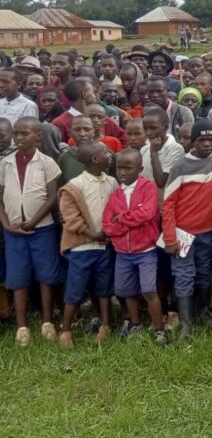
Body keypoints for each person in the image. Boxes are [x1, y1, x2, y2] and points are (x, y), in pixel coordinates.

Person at [162, 119, 212, 337]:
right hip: (182, 233)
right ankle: (186, 321)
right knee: (184, 274)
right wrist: (169, 238)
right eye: (201, 140)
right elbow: (168, 204)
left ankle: (203, 311)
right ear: (192, 142)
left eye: (211, 139)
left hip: (207, 231)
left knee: (204, 272)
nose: (207, 144)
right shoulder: (181, 167)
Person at [0, 117, 62, 346]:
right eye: (16, 133)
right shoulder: (5, 163)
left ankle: (47, 322)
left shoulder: (47, 163)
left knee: (46, 275)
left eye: (24, 133)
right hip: (13, 230)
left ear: (38, 135)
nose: (18, 137)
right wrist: (6, 224)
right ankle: (22, 327)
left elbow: (53, 195)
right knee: (18, 277)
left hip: (42, 228)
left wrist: (34, 221)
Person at [57, 142, 118, 348]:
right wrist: (93, 234)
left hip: (104, 247)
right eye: (106, 153)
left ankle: (105, 325)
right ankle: (65, 330)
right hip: (82, 248)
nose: (110, 156)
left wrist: (107, 233)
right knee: (75, 288)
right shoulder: (75, 186)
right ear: (94, 159)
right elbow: (71, 217)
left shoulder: (111, 182)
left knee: (103, 287)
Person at [103, 148, 166, 344]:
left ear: (139, 168)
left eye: (127, 168)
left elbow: (147, 214)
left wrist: (121, 218)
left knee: (148, 290)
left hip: (145, 251)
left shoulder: (147, 188)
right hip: (123, 252)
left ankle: (159, 329)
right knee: (127, 291)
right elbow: (107, 225)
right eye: (119, 168)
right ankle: (135, 324)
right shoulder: (116, 194)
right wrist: (126, 224)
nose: (122, 172)